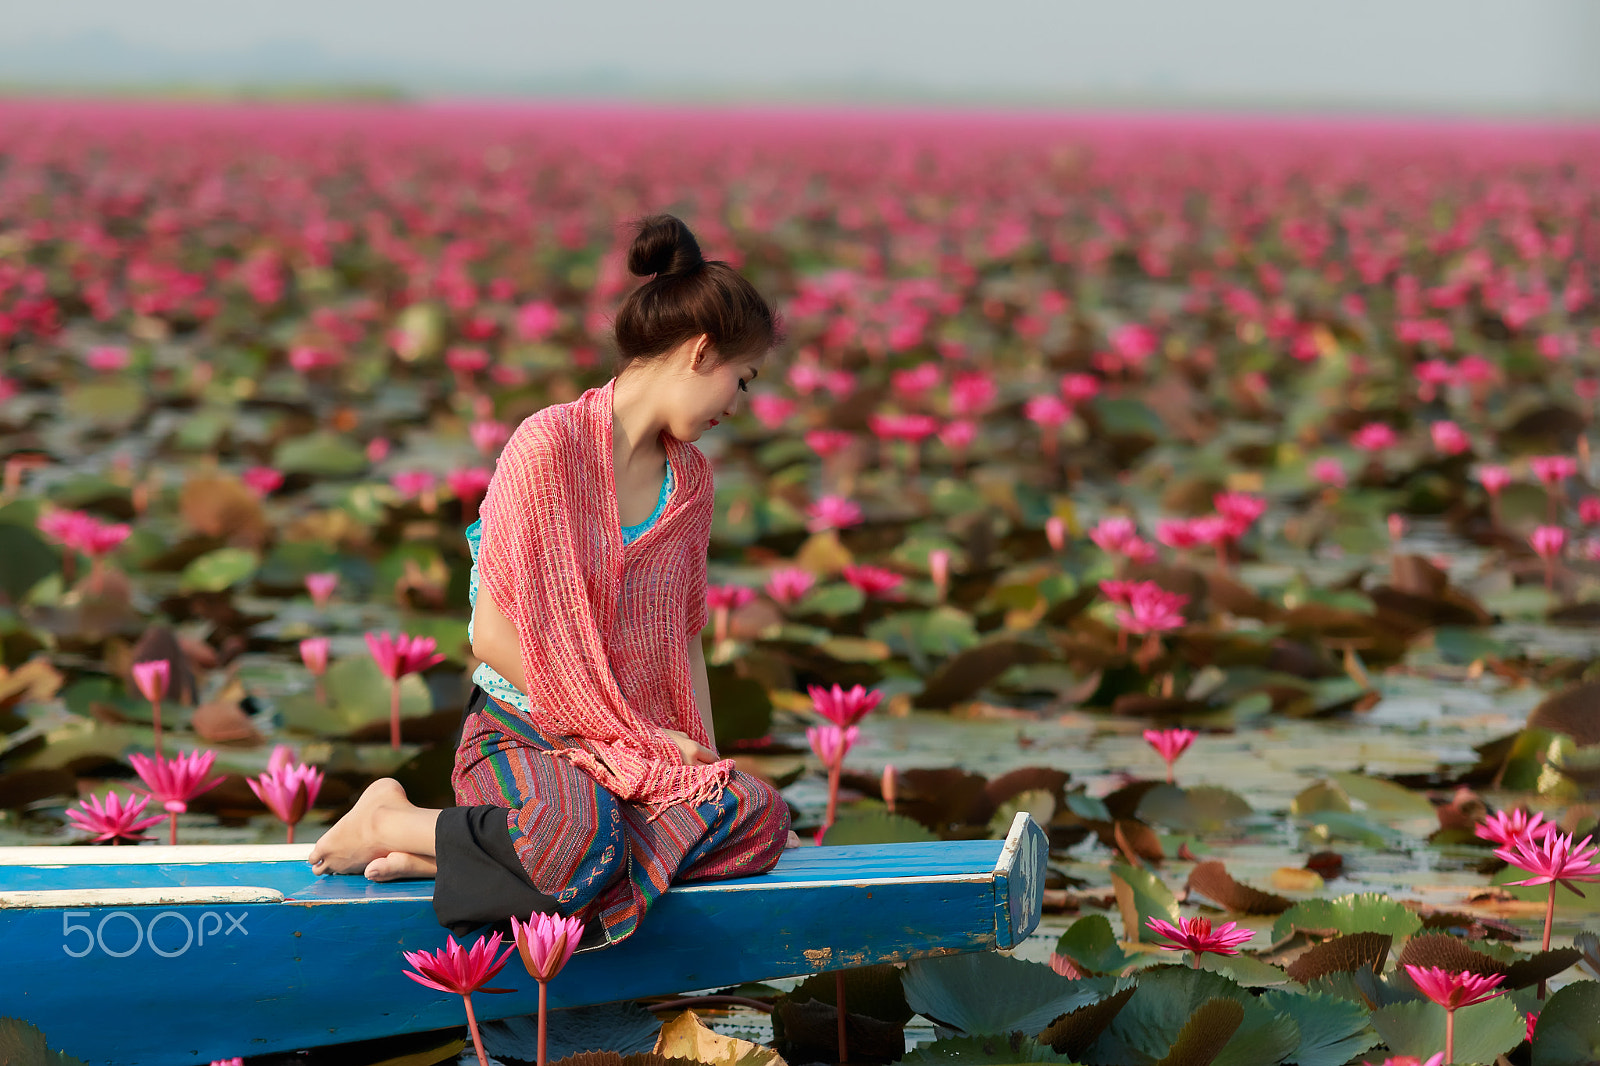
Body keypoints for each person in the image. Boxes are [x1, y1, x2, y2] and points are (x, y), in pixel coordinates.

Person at [308, 214, 795, 946]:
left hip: (632, 747)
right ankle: (391, 818)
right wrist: (627, 733)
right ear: (700, 352)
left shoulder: (689, 482)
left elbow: (684, 640)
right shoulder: (548, 446)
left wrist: (695, 764)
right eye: (742, 380)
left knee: (755, 817)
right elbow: (490, 636)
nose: (737, 405)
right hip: (525, 731)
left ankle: (446, 854)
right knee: (575, 837)